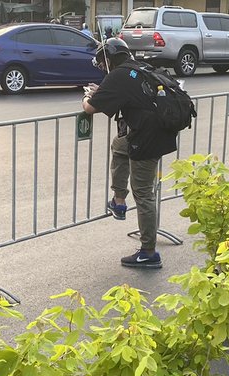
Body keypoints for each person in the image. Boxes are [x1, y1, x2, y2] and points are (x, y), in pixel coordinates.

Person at [83, 38, 180, 270]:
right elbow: (126, 95)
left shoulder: (118, 75)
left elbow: (90, 107)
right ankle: (118, 200)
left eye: (103, 64)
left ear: (110, 60)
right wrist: (102, 92)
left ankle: (148, 252)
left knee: (144, 193)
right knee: (119, 145)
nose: (103, 69)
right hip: (155, 133)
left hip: (147, 138)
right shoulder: (140, 69)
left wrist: (87, 97)